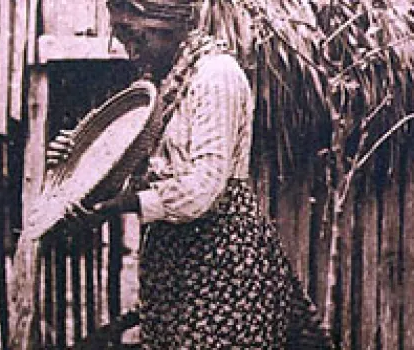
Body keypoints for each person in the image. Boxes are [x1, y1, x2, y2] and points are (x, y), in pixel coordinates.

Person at [48, 0, 332, 348]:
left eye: (132, 34)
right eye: (119, 34)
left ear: (169, 24)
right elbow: (132, 165)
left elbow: (202, 186)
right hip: (176, 263)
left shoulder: (216, 77)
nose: (127, 48)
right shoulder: (165, 84)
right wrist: (76, 158)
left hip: (222, 264)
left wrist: (119, 205)